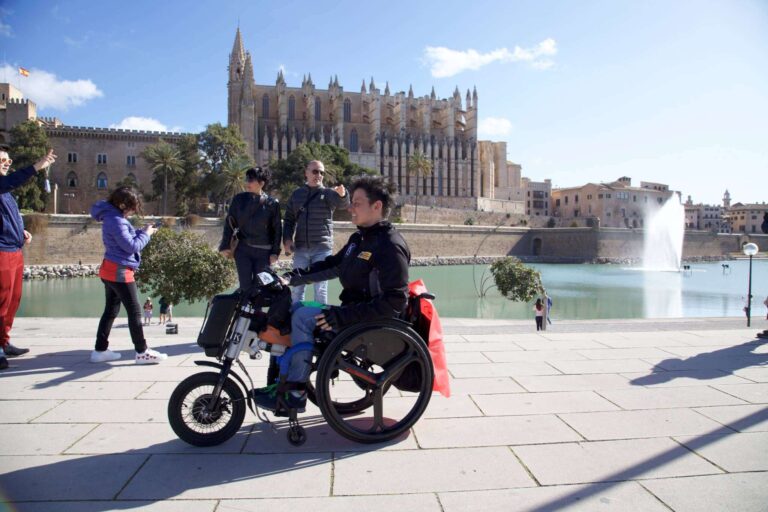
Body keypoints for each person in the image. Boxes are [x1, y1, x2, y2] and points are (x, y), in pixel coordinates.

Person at [254, 175, 409, 411]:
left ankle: (295, 392)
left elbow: (395, 301)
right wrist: (291, 278)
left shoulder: (390, 245)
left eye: (356, 203)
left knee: (302, 317)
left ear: (376, 206)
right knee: (295, 308)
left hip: (369, 323)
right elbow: (331, 265)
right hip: (351, 315)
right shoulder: (359, 239)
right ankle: (280, 382)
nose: (350, 208)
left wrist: (341, 316)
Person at [90, 187, 167, 364]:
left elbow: (125, 239)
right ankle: (142, 352)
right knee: (135, 311)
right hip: (120, 271)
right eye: (132, 208)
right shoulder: (117, 220)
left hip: (109, 269)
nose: (133, 211)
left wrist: (143, 231)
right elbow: (132, 247)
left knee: (111, 311)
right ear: (122, 205)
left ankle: (100, 350)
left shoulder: (111, 216)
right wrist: (146, 234)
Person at [0, 146, 57, 370]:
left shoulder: (5, 191)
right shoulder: (4, 185)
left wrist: (20, 231)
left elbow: (8, 217)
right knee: (1, 302)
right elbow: (12, 181)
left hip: (14, 250)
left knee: (13, 301)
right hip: (2, 252)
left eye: (8, 160)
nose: (7, 163)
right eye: (2, 160)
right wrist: (36, 167)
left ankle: (4, 342)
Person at [282, 160, 349, 304]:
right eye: (315, 171)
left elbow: (343, 204)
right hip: (300, 248)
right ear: (306, 173)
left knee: (320, 289)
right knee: (297, 287)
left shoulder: (329, 193)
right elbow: (289, 220)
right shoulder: (297, 194)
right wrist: (287, 239)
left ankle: (320, 318)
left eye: (321, 172)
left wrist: (343, 195)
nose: (318, 175)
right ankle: (296, 315)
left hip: (322, 249)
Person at [219, 167, 281, 291]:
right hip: (243, 250)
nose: (247, 182)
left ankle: (257, 305)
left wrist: (275, 252)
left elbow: (277, 230)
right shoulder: (238, 200)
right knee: (245, 287)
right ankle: (244, 304)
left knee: (261, 288)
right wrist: (224, 245)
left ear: (261, 183)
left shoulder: (272, 204)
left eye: (251, 180)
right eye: (247, 179)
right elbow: (229, 223)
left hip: (264, 253)